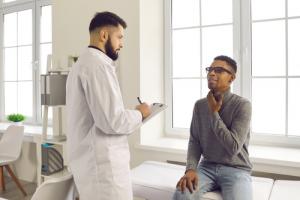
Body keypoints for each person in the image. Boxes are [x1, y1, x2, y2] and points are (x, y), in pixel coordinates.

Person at [66, 11, 151, 200]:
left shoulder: (83, 64)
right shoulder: (97, 66)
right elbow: (112, 121)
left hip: (92, 163)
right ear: (104, 35)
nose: (122, 43)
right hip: (103, 169)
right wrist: (141, 113)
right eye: (119, 37)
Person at [173, 55, 252, 200]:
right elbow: (195, 141)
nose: (211, 73)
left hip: (237, 169)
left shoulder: (242, 105)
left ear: (231, 78)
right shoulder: (199, 105)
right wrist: (190, 169)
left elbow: (233, 146)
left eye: (219, 70)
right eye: (210, 69)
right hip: (206, 167)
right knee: (181, 194)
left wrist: (214, 112)